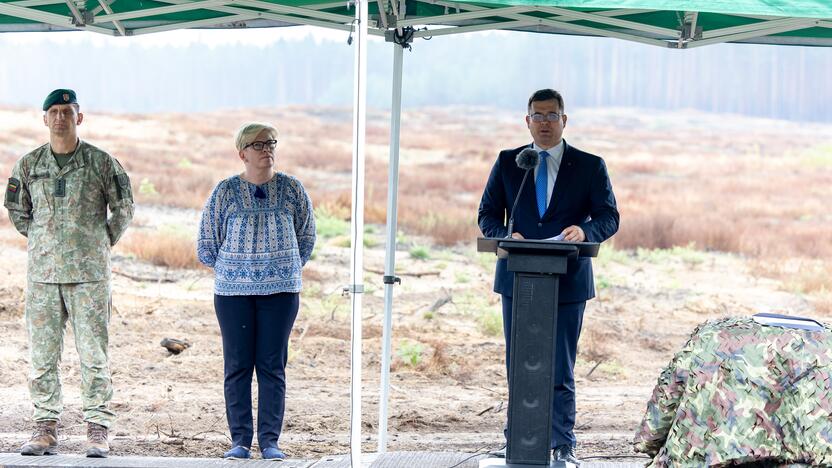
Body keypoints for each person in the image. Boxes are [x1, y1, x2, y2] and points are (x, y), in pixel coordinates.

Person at [478, 88, 619, 465]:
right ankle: (518, 439)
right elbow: (488, 216)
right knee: (519, 360)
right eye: (537, 116)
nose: (544, 122)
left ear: (564, 120)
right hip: (518, 279)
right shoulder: (510, 163)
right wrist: (508, 235)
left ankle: (561, 442)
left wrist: (585, 231)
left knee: (560, 364)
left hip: (568, 280)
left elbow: (609, 217)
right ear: (527, 121)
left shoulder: (590, 165)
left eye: (551, 115)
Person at [4, 89, 134, 458]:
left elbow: (124, 207)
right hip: (43, 274)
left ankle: (97, 429)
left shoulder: (101, 163)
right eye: (55, 111)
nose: (61, 117)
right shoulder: (29, 165)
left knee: (94, 354)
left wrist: (99, 240)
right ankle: (45, 427)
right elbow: (17, 210)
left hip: (89, 275)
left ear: (80, 117)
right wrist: (44, 240)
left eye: (68, 111)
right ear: (45, 119)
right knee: (43, 355)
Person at [197, 122, 316, 460]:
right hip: (233, 294)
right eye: (259, 144)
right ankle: (239, 441)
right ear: (242, 153)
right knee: (237, 365)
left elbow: (307, 236)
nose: (268, 149)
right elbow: (207, 243)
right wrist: (235, 269)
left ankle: (269, 442)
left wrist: (283, 266)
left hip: (281, 293)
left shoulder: (292, 189)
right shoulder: (225, 192)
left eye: (272, 143)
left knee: (272, 366)